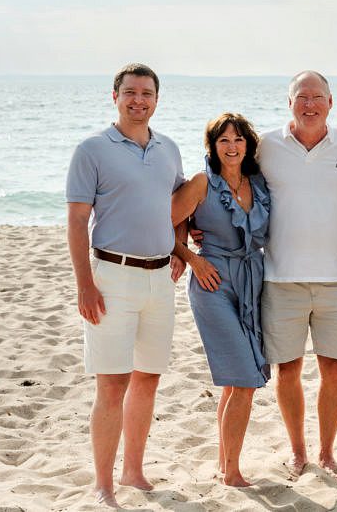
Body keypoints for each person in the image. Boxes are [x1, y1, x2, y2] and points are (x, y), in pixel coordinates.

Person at [66, 63, 186, 507]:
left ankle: (134, 471)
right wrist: (85, 284)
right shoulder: (92, 149)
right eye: (131, 93)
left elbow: (176, 204)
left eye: (147, 93)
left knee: (148, 379)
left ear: (158, 99)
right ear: (114, 96)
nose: (139, 100)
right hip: (111, 278)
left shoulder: (168, 149)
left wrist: (179, 249)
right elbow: (77, 221)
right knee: (112, 383)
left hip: (159, 280)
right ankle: (103, 483)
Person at [257, 70, 337, 476]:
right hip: (280, 279)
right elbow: (228, 182)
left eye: (317, 97)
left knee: (334, 370)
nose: (309, 104)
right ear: (289, 102)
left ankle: (326, 452)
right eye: (301, 97)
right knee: (287, 369)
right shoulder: (264, 147)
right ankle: (298, 451)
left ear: (330, 102)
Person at [170, 113, 270, 488]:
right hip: (211, 282)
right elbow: (159, 223)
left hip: (251, 280)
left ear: (249, 145)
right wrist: (192, 258)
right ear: (212, 146)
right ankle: (232, 472)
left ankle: (223, 462)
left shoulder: (258, 184)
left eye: (238, 140)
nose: (232, 146)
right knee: (244, 379)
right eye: (224, 140)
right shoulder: (201, 183)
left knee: (233, 383)